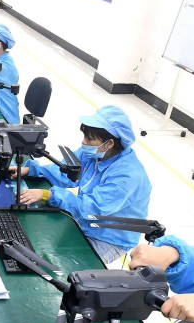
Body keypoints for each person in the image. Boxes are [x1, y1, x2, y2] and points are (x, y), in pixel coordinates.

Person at [12, 106, 151, 263]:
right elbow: (65, 171)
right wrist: (30, 170)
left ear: (109, 143)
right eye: (85, 136)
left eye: (90, 139)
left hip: (109, 237)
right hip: (85, 222)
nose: (84, 142)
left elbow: (93, 207)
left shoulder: (127, 176)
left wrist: (48, 195)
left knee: (74, 271)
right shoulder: (95, 152)